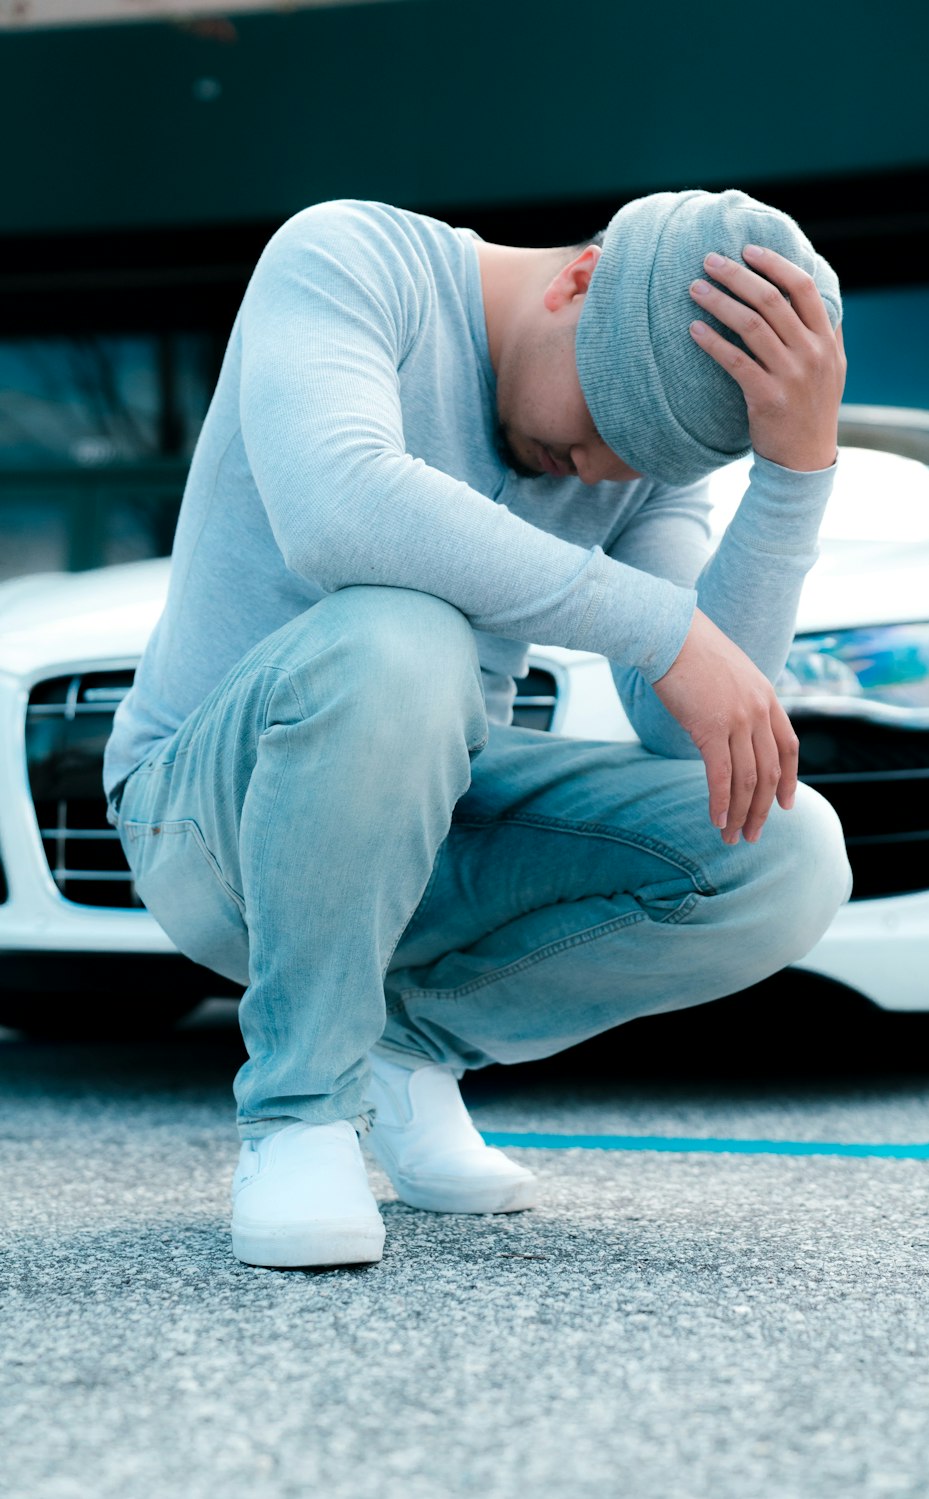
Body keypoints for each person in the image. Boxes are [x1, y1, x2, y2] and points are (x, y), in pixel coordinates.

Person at [103, 187, 852, 1271]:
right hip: (208, 819)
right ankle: (301, 1110)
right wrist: (663, 627)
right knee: (402, 631)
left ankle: (406, 1049)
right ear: (578, 278)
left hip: (428, 818)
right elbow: (340, 509)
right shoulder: (352, 258)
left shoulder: (626, 468)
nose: (602, 473)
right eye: (603, 426)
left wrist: (792, 476)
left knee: (781, 846)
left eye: (643, 463)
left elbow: (683, 738)